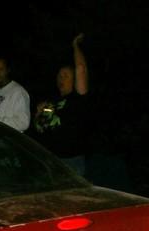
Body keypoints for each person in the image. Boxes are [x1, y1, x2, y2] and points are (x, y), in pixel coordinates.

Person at [33, 33, 91, 175]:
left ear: (74, 80)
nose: (61, 78)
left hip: (71, 162)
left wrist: (75, 46)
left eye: (65, 75)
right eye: (59, 76)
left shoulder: (77, 98)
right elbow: (40, 128)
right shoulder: (52, 102)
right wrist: (38, 114)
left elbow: (81, 68)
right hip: (50, 160)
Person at [0, 57, 31, 133]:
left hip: (6, 141)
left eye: (1, 69)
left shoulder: (18, 92)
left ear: (8, 70)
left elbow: (24, 123)